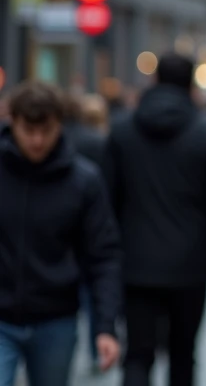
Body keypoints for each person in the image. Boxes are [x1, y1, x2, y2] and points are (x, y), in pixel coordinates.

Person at [104, 53, 206, 386]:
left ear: (154, 80)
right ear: (192, 85)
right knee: (183, 354)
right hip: (190, 263)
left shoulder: (123, 131)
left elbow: (106, 201)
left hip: (136, 261)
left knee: (138, 354)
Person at [0, 82, 122, 386]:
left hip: (56, 318)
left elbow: (103, 255)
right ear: (12, 122)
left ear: (60, 126)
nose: (37, 140)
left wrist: (105, 326)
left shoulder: (83, 180)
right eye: (29, 130)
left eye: (47, 130)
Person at [62, 93, 110, 373]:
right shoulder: (97, 141)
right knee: (91, 290)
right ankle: (96, 346)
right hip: (90, 224)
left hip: (63, 231)